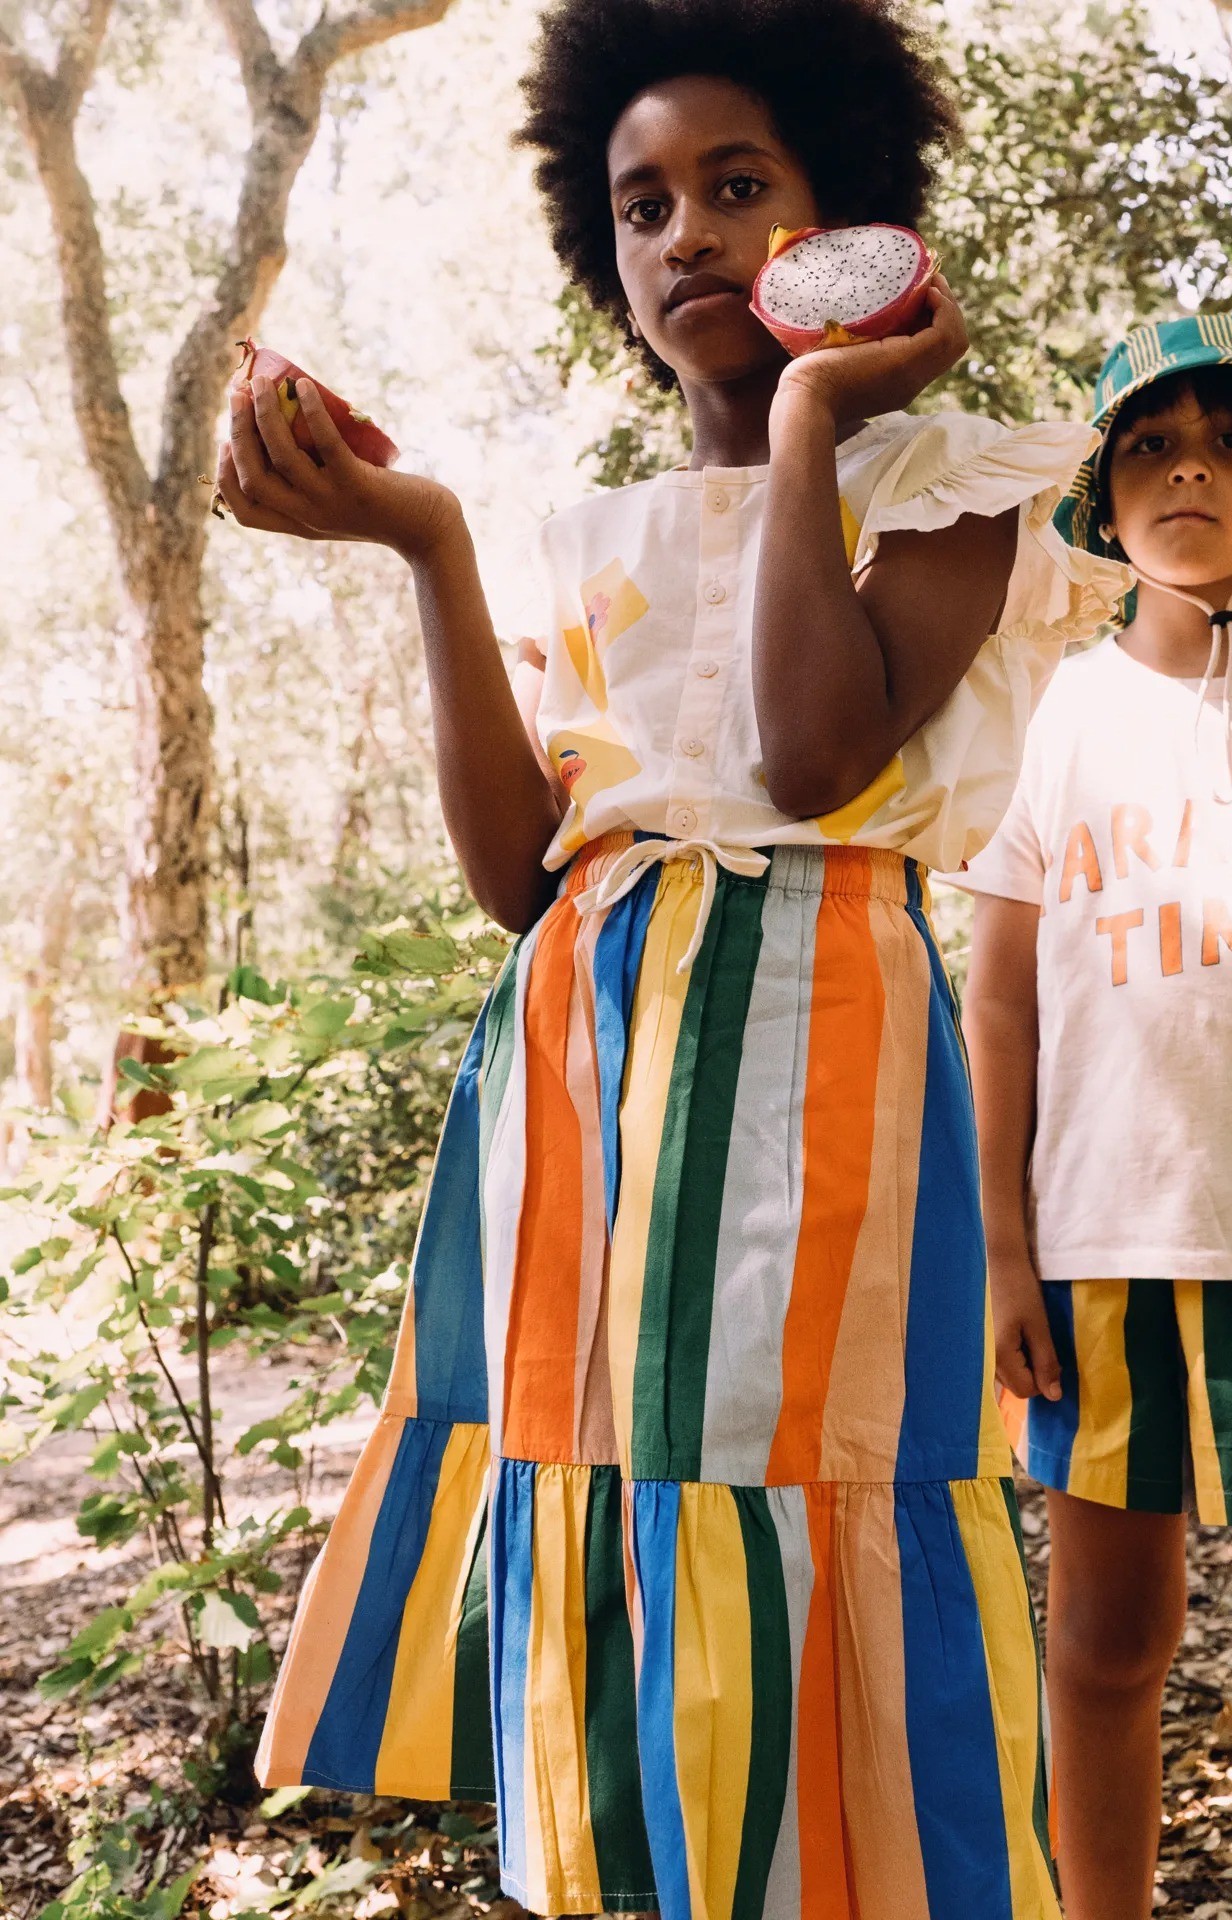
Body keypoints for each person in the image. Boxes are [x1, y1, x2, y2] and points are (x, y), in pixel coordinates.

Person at [219, 2, 1128, 1913]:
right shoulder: (588, 535)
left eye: (737, 185)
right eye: (642, 207)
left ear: (839, 213)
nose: (687, 235)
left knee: (796, 1463)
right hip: (581, 1065)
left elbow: (810, 756)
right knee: (604, 1464)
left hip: (820, 1036)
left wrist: (810, 420)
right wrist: (431, 544)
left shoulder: (954, 480)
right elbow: (516, 875)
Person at [960, 313, 1232, 1920]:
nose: (1191, 470)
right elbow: (1000, 996)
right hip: (1103, 1245)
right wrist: (1002, 1249)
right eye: (1150, 444)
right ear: (1103, 496)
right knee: (1103, 1642)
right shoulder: (1057, 710)